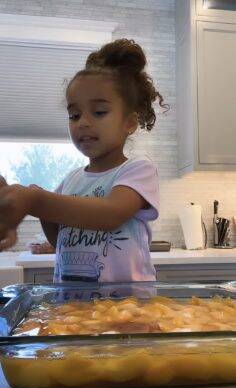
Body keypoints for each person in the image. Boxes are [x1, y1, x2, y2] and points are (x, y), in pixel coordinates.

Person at [0, 39, 168, 283]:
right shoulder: (71, 180)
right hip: (73, 310)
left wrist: (35, 200)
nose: (83, 122)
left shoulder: (138, 169)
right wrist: (34, 204)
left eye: (99, 112)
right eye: (74, 114)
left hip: (129, 311)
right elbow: (61, 242)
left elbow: (111, 214)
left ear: (129, 123)